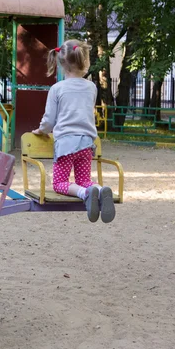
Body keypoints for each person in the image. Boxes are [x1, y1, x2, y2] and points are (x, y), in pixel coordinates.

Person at [32, 40, 115, 223]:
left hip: (66, 145)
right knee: (85, 179)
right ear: (84, 62)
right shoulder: (91, 87)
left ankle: (86, 194)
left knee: (60, 184)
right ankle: (100, 190)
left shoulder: (57, 89)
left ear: (61, 64)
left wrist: (41, 130)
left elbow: (49, 120)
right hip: (86, 143)